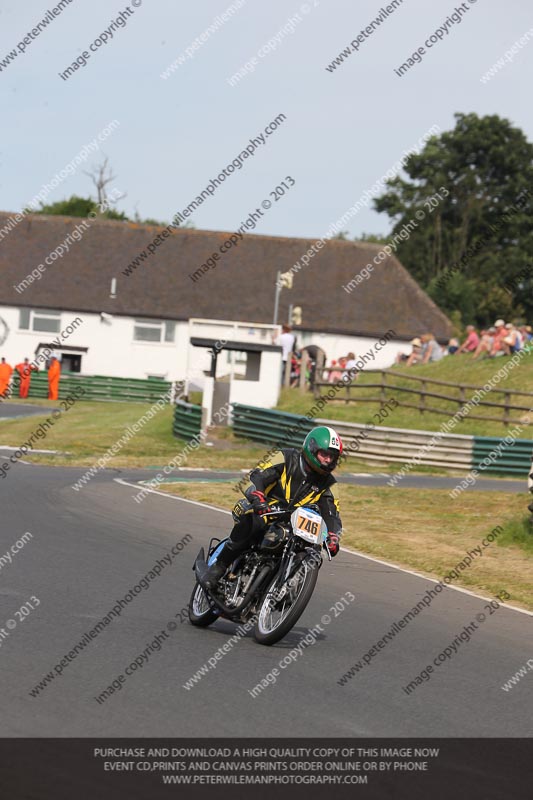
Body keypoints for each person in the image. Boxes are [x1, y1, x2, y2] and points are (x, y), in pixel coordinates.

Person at [203, 426, 344, 587]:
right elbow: (256, 476)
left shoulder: (330, 484)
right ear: (311, 449)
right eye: (324, 454)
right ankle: (219, 566)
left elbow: (332, 513)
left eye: (332, 457)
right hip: (263, 508)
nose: (328, 460)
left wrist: (333, 536)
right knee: (254, 520)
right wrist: (258, 498)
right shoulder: (285, 457)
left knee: (313, 548)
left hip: (293, 524)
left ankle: (286, 588)